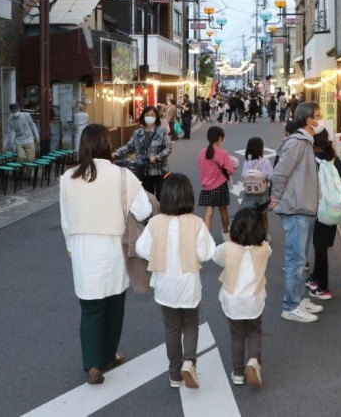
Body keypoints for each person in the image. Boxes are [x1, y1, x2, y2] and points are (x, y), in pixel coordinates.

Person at [59, 123, 153, 386]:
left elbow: (66, 220)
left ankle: (92, 364)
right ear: (107, 145)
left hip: (83, 248)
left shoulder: (67, 178)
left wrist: (70, 247)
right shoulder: (123, 176)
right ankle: (109, 355)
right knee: (114, 305)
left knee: (90, 308)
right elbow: (144, 211)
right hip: (113, 247)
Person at [135, 174, 215, 389]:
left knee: (171, 328)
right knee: (190, 323)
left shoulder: (155, 223)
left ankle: (174, 374)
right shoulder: (196, 223)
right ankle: (189, 362)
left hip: (165, 285)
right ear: (188, 196)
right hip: (189, 284)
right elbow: (208, 252)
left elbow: (141, 249)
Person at [269, 102, 325, 323]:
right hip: (296, 208)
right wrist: (275, 197)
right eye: (318, 116)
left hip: (305, 206)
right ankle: (290, 305)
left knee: (301, 258)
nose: (321, 120)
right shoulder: (298, 143)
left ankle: (298, 299)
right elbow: (280, 172)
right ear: (308, 120)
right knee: (295, 258)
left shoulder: (306, 142)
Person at [213, 206, 271, 387]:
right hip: (254, 299)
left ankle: (238, 373)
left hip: (233, 300)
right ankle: (254, 361)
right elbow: (268, 249)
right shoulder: (264, 249)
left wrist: (229, 241)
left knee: (237, 334)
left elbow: (216, 258)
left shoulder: (226, 248)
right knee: (254, 330)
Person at [306, 129, 341, 301]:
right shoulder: (334, 158)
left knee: (319, 248)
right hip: (332, 208)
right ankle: (315, 277)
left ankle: (323, 286)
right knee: (321, 247)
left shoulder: (311, 159)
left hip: (318, 209)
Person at [114, 106, 172, 198]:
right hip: (143, 171)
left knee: (161, 198)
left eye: (152, 115)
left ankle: (161, 212)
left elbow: (168, 148)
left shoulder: (162, 131)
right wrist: (117, 153)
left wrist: (157, 157)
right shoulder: (137, 133)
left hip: (160, 171)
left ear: (156, 117)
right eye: (147, 115)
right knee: (147, 199)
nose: (150, 117)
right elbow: (129, 146)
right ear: (143, 117)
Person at [198, 126, 235, 239]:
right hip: (220, 185)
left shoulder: (201, 152)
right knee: (223, 209)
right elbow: (230, 171)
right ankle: (226, 233)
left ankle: (206, 238)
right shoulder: (223, 153)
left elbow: (201, 167)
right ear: (220, 138)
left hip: (206, 186)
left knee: (208, 212)